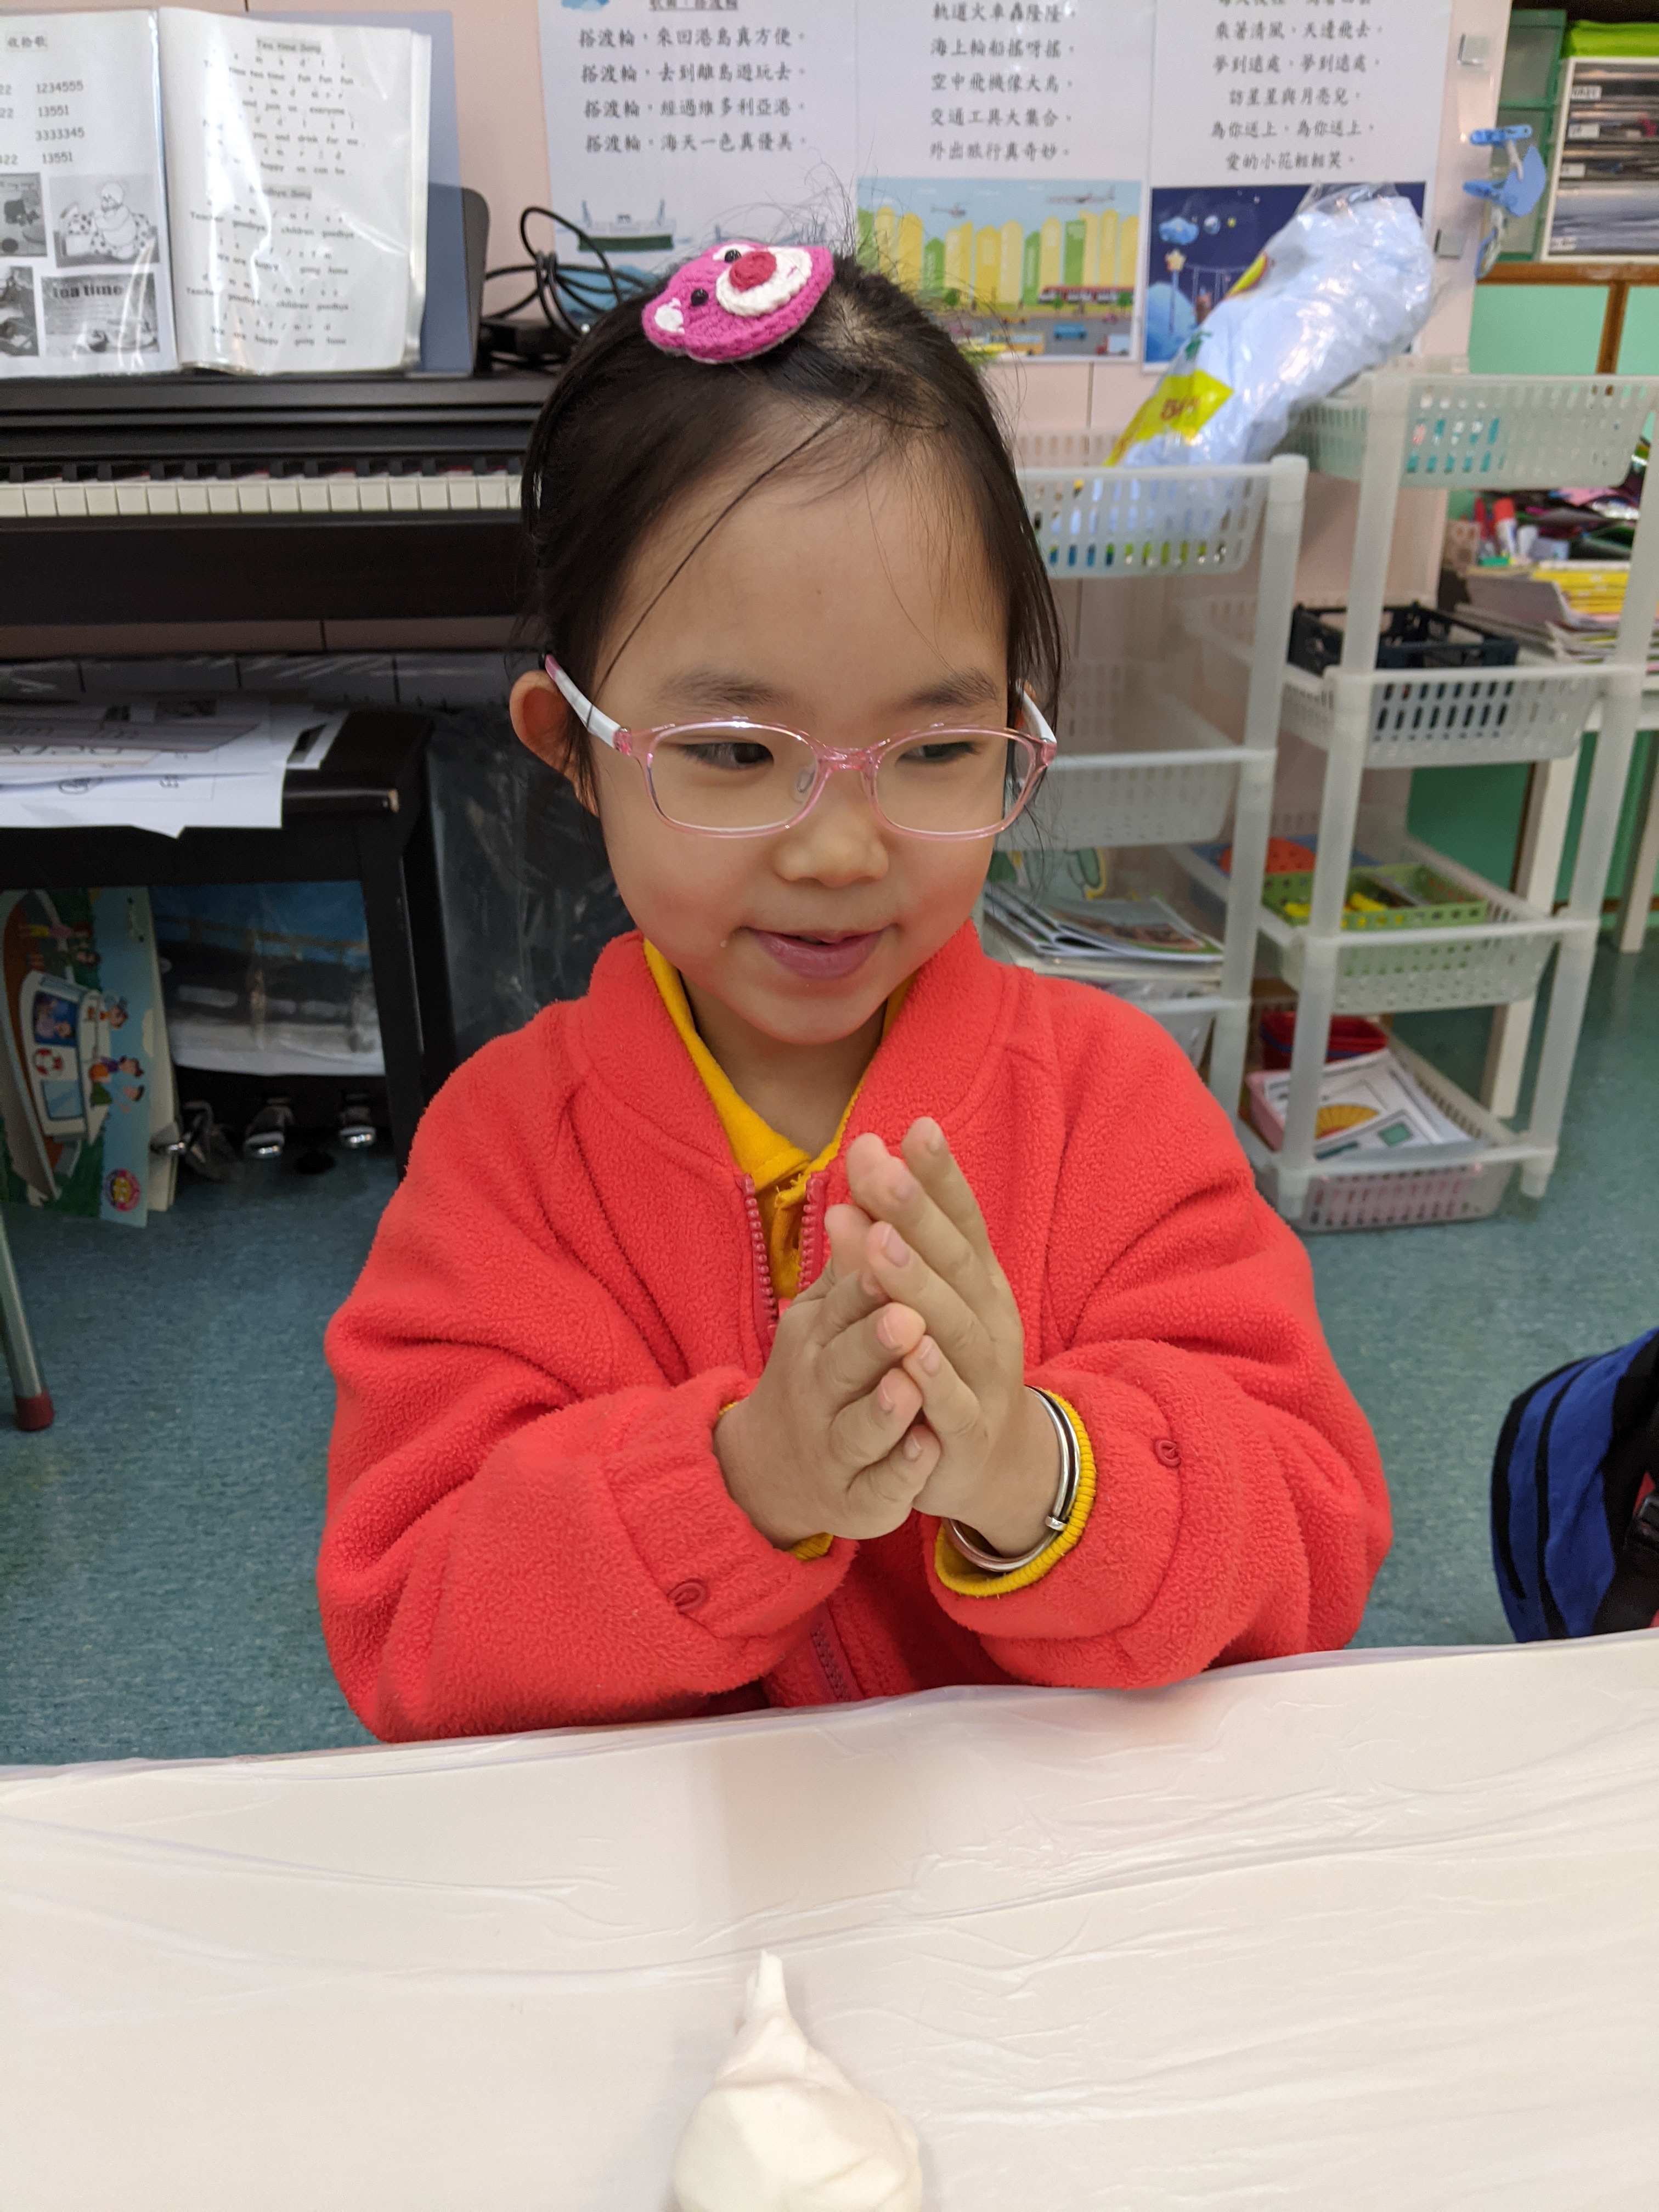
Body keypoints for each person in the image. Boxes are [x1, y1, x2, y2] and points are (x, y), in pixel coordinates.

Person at [318, 244, 1388, 1741]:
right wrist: (745, 1482)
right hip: (681, 1873)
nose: (837, 852)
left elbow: (1314, 1535)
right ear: (573, 752)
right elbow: (408, 1623)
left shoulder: (1111, 1109)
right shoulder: (505, 1161)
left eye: (937, 752)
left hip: (1035, 1864)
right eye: (734, 753)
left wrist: (1035, 1470)